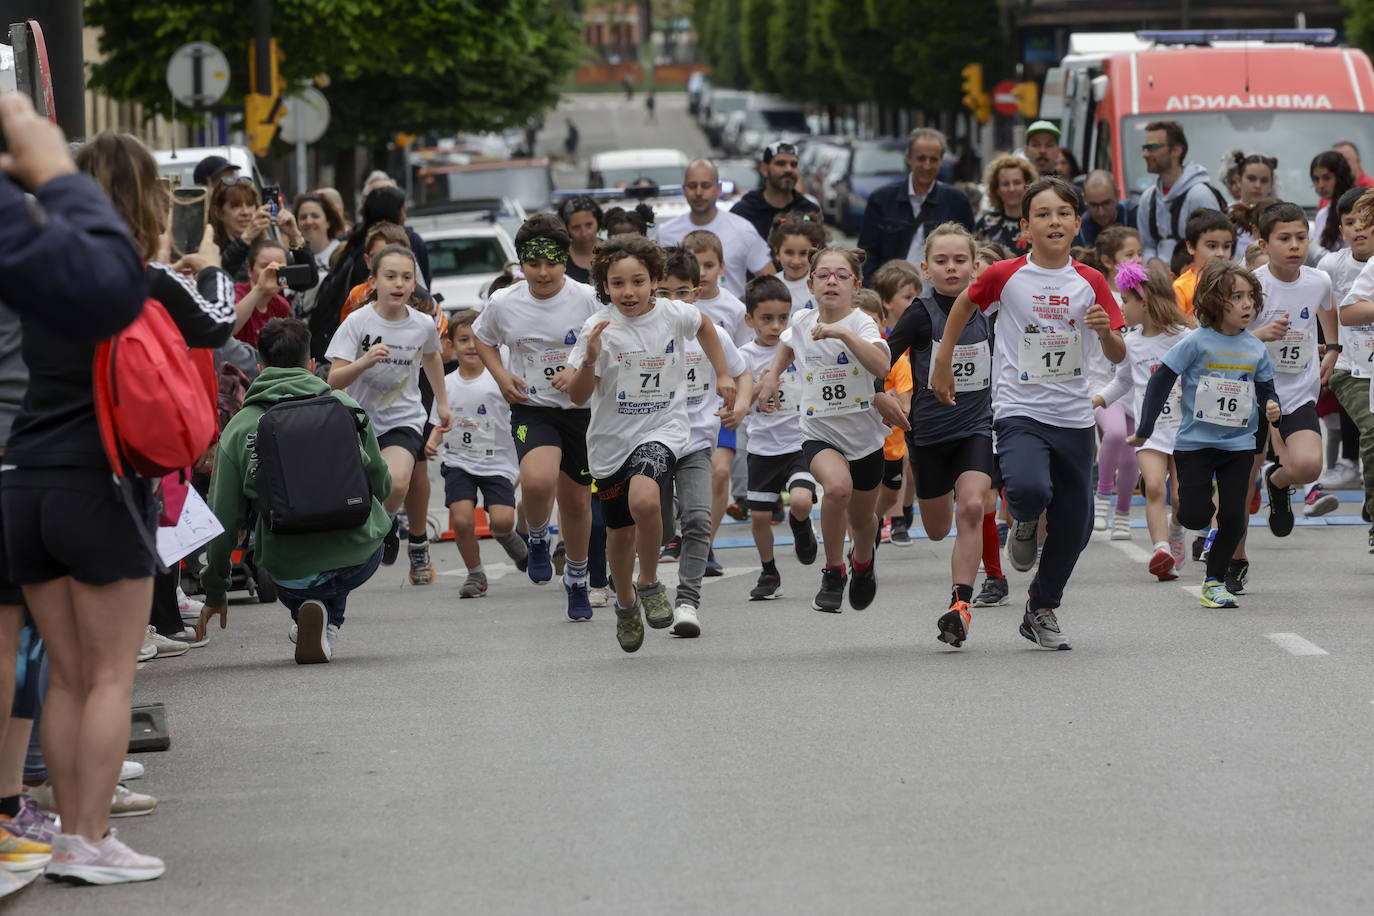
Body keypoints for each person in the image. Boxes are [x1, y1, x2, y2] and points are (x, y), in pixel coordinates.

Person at [0, 118, 220, 884]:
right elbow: (207, 338)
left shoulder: (36, 274)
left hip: (24, 478)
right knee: (109, 677)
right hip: (98, 481)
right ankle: (86, 840)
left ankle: (66, 830)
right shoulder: (126, 279)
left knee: (63, 676)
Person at [931, 177, 1127, 650]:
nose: (1054, 221)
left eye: (1063, 212)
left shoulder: (1092, 281)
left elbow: (1118, 354)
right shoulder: (1006, 274)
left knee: (1077, 529)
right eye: (1043, 213)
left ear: (1077, 224)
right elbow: (962, 305)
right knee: (1029, 488)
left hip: (1075, 418)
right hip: (1020, 409)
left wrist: (1104, 333)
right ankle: (1023, 517)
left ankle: (1040, 606)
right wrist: (943, 360)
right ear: (1025, 226)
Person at [567, 234, 735, 652]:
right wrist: (588, 359)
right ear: (604, 286)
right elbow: (576, 395)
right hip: (609, 444)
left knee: (645, 500)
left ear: (654, 280)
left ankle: (649, 581)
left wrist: (725, 374)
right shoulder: (597, 327)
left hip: (663, 429)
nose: (629, 292)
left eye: (638, 281)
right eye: (618, 283)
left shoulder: (674, 314)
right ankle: (625, 601)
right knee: (619, 534)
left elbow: (706, 326)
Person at [199, 317, 391, 662]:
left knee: (300, 567)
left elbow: (223, 519)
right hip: (359, 558)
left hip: (290, 571)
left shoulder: (240, 427)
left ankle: (308, 612)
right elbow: (382, 483)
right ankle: (328, 621)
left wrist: (215, 590)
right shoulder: (346, 408)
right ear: (312, 364)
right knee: (349, 536)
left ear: (260, 367)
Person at [1131, 261, 1280, 608]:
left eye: (1250, 297)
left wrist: (1272, 407)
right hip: (1195, 444)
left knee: (1232, 517)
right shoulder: (1196, 341)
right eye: (1237, 297)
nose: (1247, 305)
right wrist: (1145, 429)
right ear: (1215, 302)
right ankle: (1181, 524)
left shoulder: (1255, 348)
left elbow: (1266, 391)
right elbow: (1161, 379)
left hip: (1238, 445)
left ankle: (1213, 582)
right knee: (1194, 514)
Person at [473, 214, 600, 620]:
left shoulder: (587, 297)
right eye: (533, 263)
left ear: (565, 259)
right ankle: (540, 537)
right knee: (538, 479)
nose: (543, 273)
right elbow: (482, 337)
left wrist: (579, 369)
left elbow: (609, 341)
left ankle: (578, 581)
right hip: (533, 407)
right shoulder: (504, 302)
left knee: (577, 503)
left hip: (581, 411)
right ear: (520, 262)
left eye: (552, 262)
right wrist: (499, 372)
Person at [756, 247, 892, 613]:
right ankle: (834, 570)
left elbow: (881, 366)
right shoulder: (801, 321)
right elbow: (787, 348)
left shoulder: (862, 323)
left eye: (841, 275)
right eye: (823, 275)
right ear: (811, 284)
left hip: (865, 439)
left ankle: (862, 563)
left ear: (856, 284)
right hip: (819, 431)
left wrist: (842, 335)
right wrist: (771, 379)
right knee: (836, 487)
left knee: (864, 520)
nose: (832, 281)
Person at [886, 223, 998, 645]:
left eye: (960, 260)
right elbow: (883, 359)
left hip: (974, 428)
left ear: (975, 267)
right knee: (936, 529)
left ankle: (960, 605)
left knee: (972, 506)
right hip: (929, 437)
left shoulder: (989, 310)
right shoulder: (920, 314)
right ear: (925, 269)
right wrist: (883, 397)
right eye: (941, 261)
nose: (951, 268)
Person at [326, 244, 451, 580]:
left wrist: (441, 402)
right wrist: (364, 361)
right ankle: (386, 524)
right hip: (358, 419)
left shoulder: (423, 324)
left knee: (397, 483)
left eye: (406, 277)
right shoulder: (357, 321)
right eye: (391, 276)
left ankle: (385, 525)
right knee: (360, 490)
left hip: (404, 417)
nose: (399, 284)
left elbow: (432, 357)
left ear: (414, 284)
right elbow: (334, 380)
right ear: (373, 282)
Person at [652, 247, 752, 634]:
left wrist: (739, 408)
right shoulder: (640, 335)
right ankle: (644, 576)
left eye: (682, 293)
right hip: (651, 444)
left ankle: (687, 603)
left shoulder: (712, 334)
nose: (673, 302)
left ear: (697, 293)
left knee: (697, 518)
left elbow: (743, 376)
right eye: (663, 293)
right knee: (658, 528)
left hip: (695, 443)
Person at [1093, 261, 1194, 579]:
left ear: (1145, 302)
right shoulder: (1132, 344)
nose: (1121, 306)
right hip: (1149, 431)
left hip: (1186, 429)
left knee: (1182, 498)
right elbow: (1123, 382)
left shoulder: (1186, 337)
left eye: (1125, 300)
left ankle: (1176, 531)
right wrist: (1098, 399)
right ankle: (1161, 549)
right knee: (1153, 487)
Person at [1250, 202, 1338, 542]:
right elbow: (1229, 336)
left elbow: (1327, 307)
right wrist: (1262, 335)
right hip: (1253, 396)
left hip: (1298, 390)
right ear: (1264, 245)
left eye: (1301, 237)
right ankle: (1222, 548)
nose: (1294, 245)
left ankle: (1278, 482)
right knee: (1242, 480)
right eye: (1284, 238)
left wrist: (1332, 348)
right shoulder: (1252, 285)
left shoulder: (1319, 280)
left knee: (1308, 467)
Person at [425, 312, 529, 597]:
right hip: (459, 461)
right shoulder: (445, 384)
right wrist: (433, 440)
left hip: (498, 462)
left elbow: (518, 420)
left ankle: (508, 536)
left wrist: (521, 460)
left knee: (502, 520)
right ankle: (475, 574)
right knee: (461, 519)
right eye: (463, 340)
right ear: (451, 345)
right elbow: (441, 421)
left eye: (477, 340)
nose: (471, 346)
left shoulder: (500, 379)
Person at [739, 275, 819, 600]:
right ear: (750, 320)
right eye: (767, 319)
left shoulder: (797, 350)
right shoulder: (742, 356)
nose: (776, 326)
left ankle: (801, 525)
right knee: (759, 516)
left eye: (783, 318)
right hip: (761, 447)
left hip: (799, 442)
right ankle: (769, 571)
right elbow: (740, 406)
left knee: (800, 501)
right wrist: (761, 384)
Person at [681, 229, 752, 570]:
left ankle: (705, 546)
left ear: (722, 266)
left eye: (709, 264)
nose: (703, 271)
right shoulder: (668, 305)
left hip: (719, 407)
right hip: (679, 409)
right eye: (696, 264)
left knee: (720, 473)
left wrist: (742, 403)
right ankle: (682, 533)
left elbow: (745, 361)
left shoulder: (733, 309)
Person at [856, 128, 975, 285]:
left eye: (933, 159)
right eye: (921, 158)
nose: (927, 166)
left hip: (942, 299)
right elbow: (867, 255)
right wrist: (873, 296)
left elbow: (970, 252)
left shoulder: (957, 201)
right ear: (908, 157)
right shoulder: (881, 199)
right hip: (891, 297)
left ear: (941, 160)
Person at [1086, 227, 1146, 537]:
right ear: (1109, 260)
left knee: (1131, 454)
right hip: (1099, 381)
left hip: (1133, 386)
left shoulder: (1144, 295)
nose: (1137, 260)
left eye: (1140, 254)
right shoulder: (1095, 293)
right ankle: (1102, 496)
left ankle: (1123, 513)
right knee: (1114, 434)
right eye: (1129, 255)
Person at [1325, 189, 1374, 544]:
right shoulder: (1332, 265)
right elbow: (1330, 311)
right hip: (1348, 365)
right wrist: (1327, 350)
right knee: (1373, 429)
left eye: (1367, 221)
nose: (1360, 228)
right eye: (1351, 222)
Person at [658, 159, 775, 295]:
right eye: (692, 186)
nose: (699, 192)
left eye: (706, 185)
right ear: (684, 189)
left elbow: (770, 281)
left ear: (719, 189)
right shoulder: (666, 233)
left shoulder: (743, 229)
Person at [854, 289, 914, 549]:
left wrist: (896, 408)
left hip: (891, 444)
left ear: (883, 324)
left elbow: (906, 401)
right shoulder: (845, 361)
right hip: (857, 441)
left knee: (889, 495)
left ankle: (873, 521)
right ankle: (859, 543)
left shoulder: (896, 360)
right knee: (854, 496)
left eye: (871, 323)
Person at [870, 259, 923, 544]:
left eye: (917, 296)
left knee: (912, 466)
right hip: (888, 410)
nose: (915, 302)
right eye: (907, 297)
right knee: (896, 458)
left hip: (917, 402)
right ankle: (894, 517)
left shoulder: (921, 331)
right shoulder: (877, 338)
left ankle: (905, 505)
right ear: (886, 302)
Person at [1136, 120, 1228, 271]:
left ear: (1176, 150)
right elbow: (1146, 246)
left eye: (1152, 147)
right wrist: (1152, 261)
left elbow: (1216, 248)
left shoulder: (1199, 195)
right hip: (1160, 288)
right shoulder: (1148, 197)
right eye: (1144, 148)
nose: (1145, 154)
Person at [730, 142, 821, 242]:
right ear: (764, 169)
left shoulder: (809, 211)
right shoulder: (743, 212)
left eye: (793, 164)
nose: (788, 169)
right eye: (781, 164)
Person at [1172, 209, 1236, 316]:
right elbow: (1178, 328)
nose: (1220, 253)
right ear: (1191, 247)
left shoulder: (1237, 282)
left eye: (1226, 246)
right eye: (1212, 246)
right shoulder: (1181, 288)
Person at [233, 237, 292, 347]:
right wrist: (259, 288)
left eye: (280, 267)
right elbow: (228, 329)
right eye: (265, 266)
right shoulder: (235, 293)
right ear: (250, 271)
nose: (272, 270)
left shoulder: (282, 306)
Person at [974, 154, 1037, 252]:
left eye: (1017, 183)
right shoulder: (985, 224)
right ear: (997, 189)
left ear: (1028, 185)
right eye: (1005, 184)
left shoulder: (1039, 222)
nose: (1011, 189)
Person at [1311, 151, 1356, 263]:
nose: (1321, 185)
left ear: (1340, 178)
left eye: (1326, 178)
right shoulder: (1322, 214)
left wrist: (1311, 249)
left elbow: (1352, 261)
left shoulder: (1357, 209)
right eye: (1316, 179)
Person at [1075, 170, 1137, 247]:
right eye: (1094, 205)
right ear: (1084, 199)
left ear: (1118, 195)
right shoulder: (1079, 231)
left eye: (1106, 203)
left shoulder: (1136, 216)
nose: (1101, 212)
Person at [558, 196, 602, 285]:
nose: (584, 233)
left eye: (589, 225)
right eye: (576, 227)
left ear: (598, 222)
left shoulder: (612, 252)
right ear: (566, 228)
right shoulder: (559, 258)